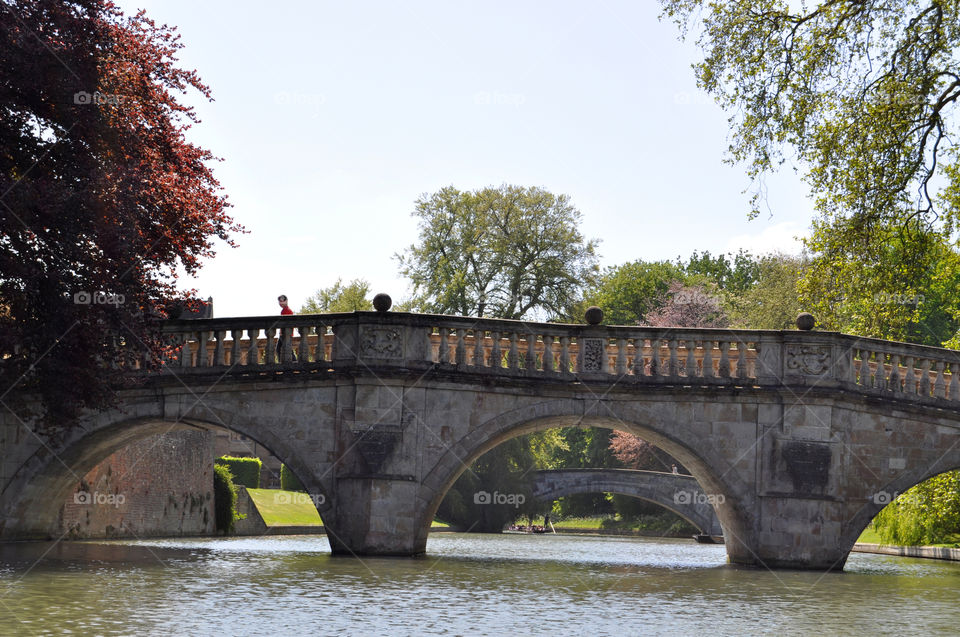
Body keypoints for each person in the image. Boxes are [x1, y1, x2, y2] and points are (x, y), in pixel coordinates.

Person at [276, 294, 295, 362]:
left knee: (286, 350)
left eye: (282, 301)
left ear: (286, 301)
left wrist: (281, 333)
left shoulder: (287, 311)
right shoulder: (284, 310)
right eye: (280, 302)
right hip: (284, 334)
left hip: (285, 334)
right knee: (282, 349)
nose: (281, 303)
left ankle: (294, 363)